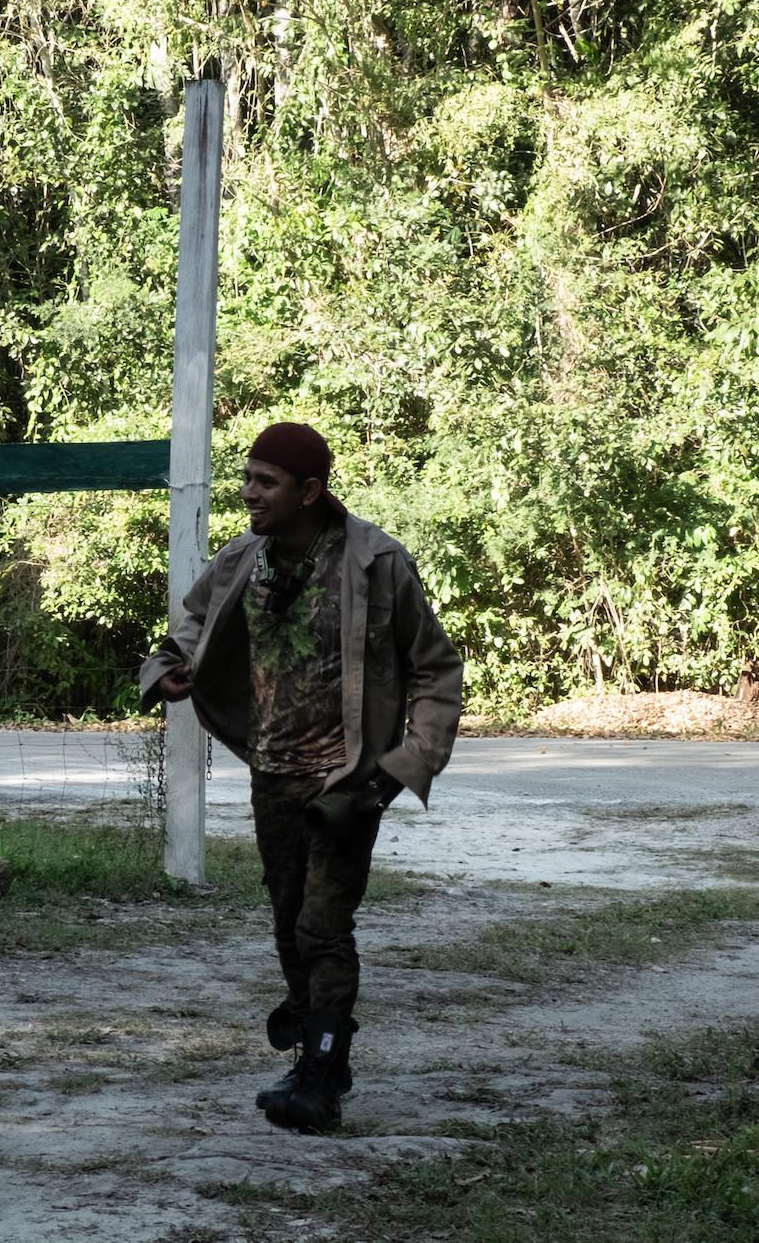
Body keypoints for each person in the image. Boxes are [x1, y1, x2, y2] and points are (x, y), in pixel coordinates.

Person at [141, 422, 463, 1134]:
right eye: (247, 478)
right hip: (272, 774)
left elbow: (436, 669)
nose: (249, 493)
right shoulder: (241, 559)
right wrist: (169, 668)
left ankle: (319, 1080)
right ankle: (322, 1053)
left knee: (323, 926)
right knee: (290, 923)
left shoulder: (376, 562)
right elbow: (191, 624)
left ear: (310, 491)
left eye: (267, 482)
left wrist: (404, 766)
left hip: (346, 781)